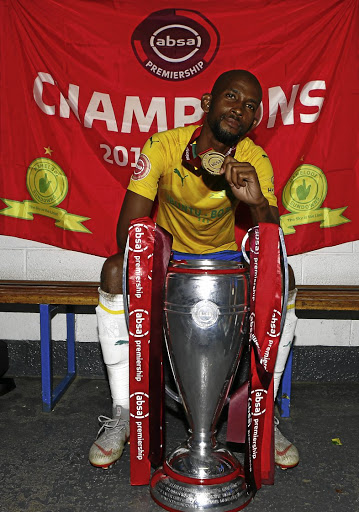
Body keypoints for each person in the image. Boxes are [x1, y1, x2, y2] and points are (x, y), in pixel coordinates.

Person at [89, 69, 299, 471]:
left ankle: (262, 412)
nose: (239, 109)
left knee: (284, 275)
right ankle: (123, 410)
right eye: (232, 97)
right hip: (170, 259)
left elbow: (272, 243)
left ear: (255, 122)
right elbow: (127, 235)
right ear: (207, 103)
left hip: (225, 260)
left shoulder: (254, 159)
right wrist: (155, 253)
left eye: (250, 106)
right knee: (114, 271)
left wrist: (255, 203)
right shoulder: (164, 145)